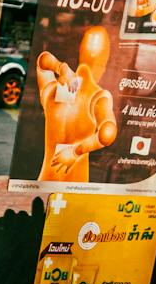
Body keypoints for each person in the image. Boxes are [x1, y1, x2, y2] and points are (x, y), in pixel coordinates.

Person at [35, 26, 119, 182]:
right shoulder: (98, 98)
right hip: (75, 186)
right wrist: (75, 151)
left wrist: (61, 68)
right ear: (105, 62)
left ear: (79, 53)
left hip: (45, 180)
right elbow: (108, 133)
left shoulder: (52, 91)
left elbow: (42, 62)